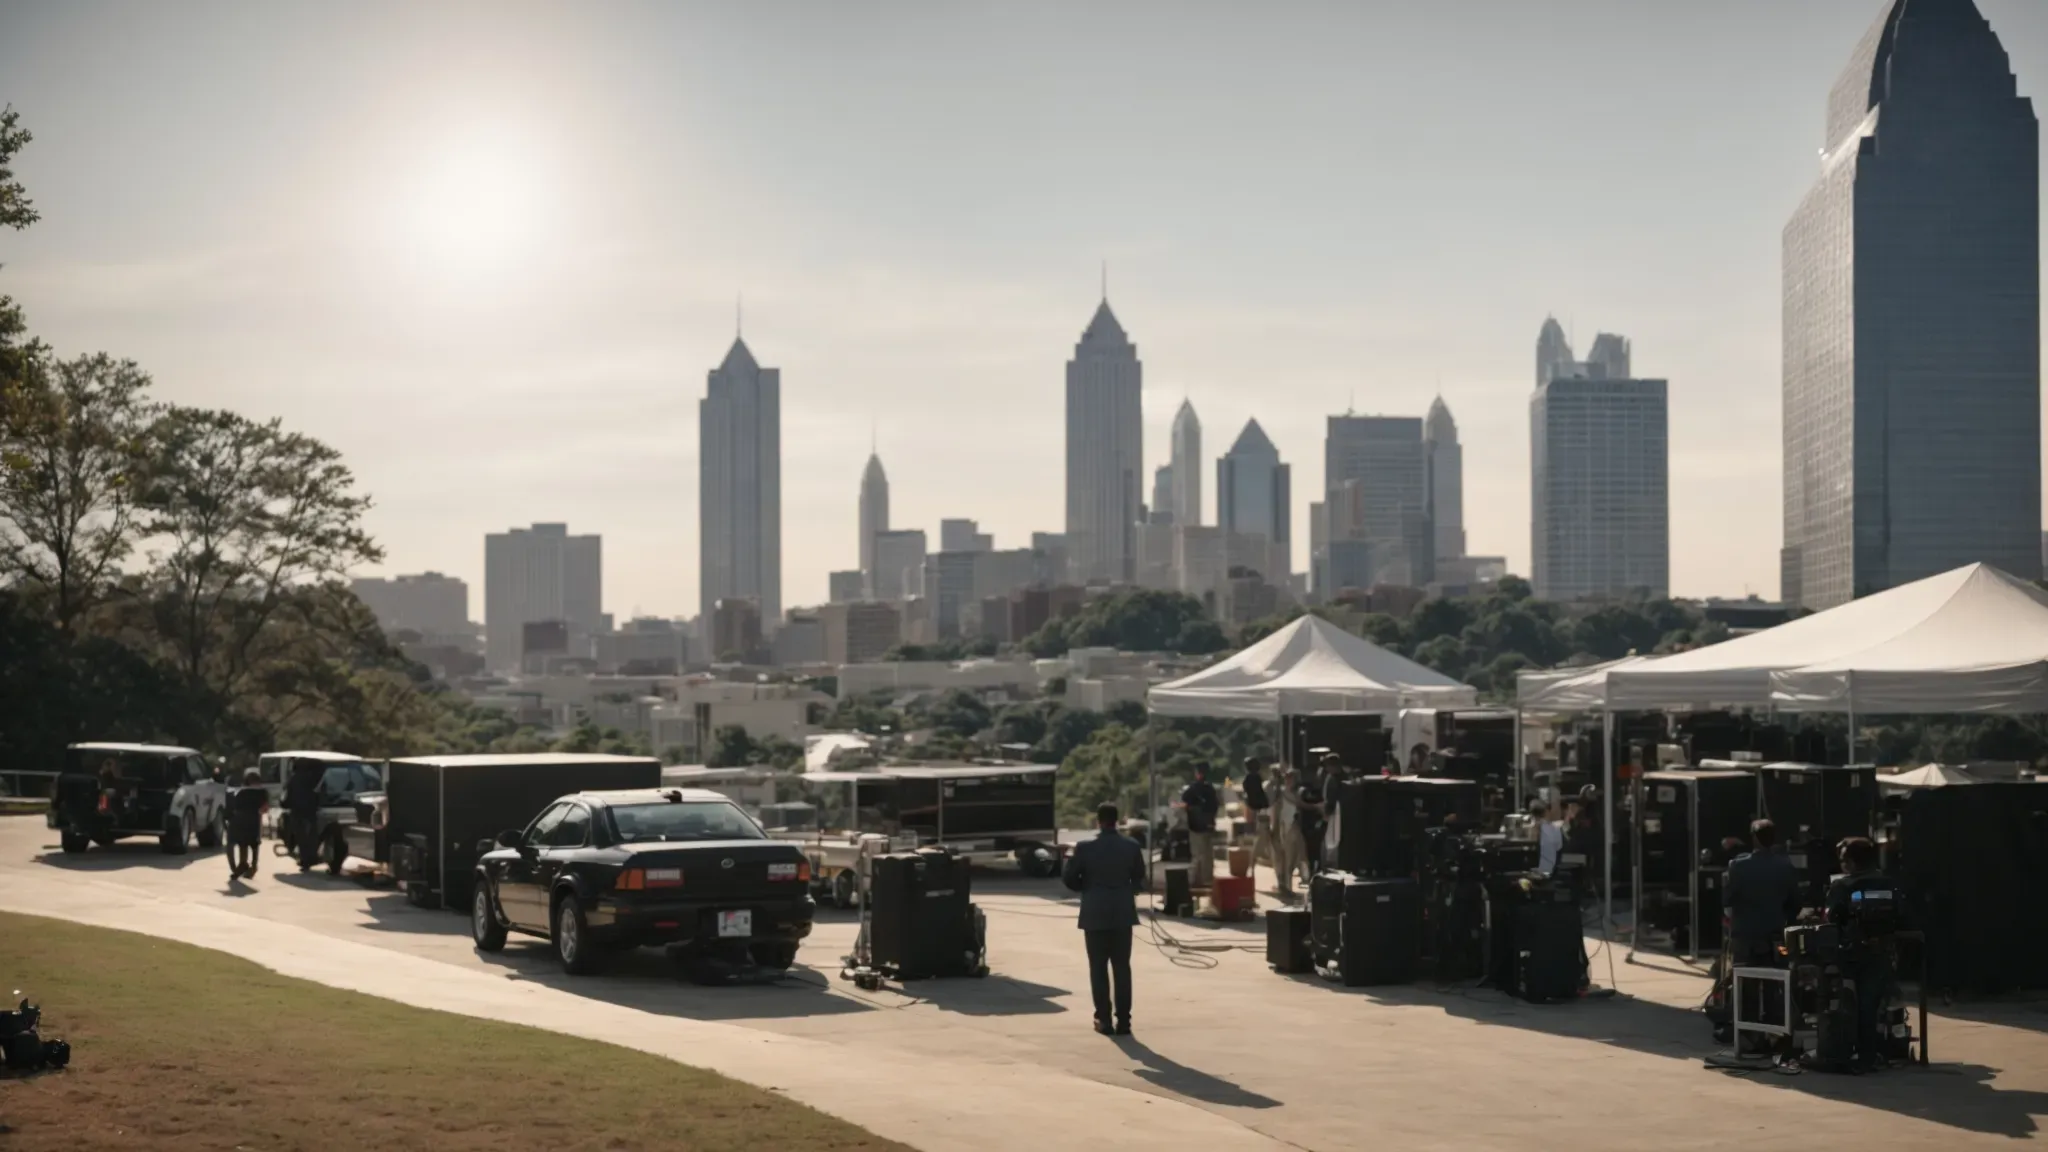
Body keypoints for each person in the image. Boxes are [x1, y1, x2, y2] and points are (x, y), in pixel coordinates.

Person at [1063, 802, 1146, 1036]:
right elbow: (1139, 878)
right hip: (1122, 913)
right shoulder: (1131, 846)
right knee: (1122, 968)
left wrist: (1087, 888)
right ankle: (1125, 1022)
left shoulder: (1085, 848)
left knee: (1098, 967)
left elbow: (1069, 878)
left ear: (1098, 821)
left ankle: (1104, 1019)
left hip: (1094, 912)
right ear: (1117, 821)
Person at [1825, 837, 1901, 1071]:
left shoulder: (1842, 886)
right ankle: (1876, 1050)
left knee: (1845, 1003)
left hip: (1851, 954)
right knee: (1871, 1003)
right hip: (1882, 953)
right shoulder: (1889, 884)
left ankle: (1848, 1052)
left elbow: (1831, 917)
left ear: (1850, 862)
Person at [1723, 819, 1801, 968]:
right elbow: (1795, 903)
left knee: (1744, 979)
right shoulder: (1785, 866)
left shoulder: (1738, 865)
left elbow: (1727, 901)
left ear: (1754, 838)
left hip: (1744, 936)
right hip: (1775, 936)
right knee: (1777, 976)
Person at [1178, 765, 1219, 889]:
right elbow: (1215, 806)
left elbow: (1184, 802)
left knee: (1197, 854)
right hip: (1208, 826)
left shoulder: (1192, 789)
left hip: (1195, 826)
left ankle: (1194, 880)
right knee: (1208, 854)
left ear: (1197, 774)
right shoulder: (1210, 789)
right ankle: (1207, 880)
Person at [226, 768, 269, 880]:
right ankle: (251, 866)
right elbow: (265, 808)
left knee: (243, 843)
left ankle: (243, 864)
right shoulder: (262, 792)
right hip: (254, 819)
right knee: (254, 844)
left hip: (241, 819)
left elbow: (234, 806)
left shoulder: (240, 791)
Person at [1271, 766, 1306, 901]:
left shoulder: (1296, 792)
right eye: (1288, 778)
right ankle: (1286, 887)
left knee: (1295, 857)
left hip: (1294, 827)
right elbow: (1277, 811)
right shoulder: (1282, 793)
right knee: (1288, 859)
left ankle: (1286, 885)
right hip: (1286, 827)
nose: (1290, 780)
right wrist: (1275, 828)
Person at [282, 759, 323, 871]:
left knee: (301, 837)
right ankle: (313, 857)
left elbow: (288, 796)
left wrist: (283, 804)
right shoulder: (314, 777)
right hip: (311, 810)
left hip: (297, 811)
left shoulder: (293, 779)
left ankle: (305, 860)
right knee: (312, 835)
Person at [1240, 757, 1272, 869]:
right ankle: (1252, 863)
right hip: (1263, 810)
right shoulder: (1255, 778)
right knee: (1262, 838)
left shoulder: (1248, 779)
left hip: (1258, 810)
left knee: (1264, 838)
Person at [1530, 796, 1564, 876]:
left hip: (1529, 872)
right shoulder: (1554, 829)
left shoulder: (1527, 828)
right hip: (1548, 872)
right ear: (1546, 812)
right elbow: (1558, 847)